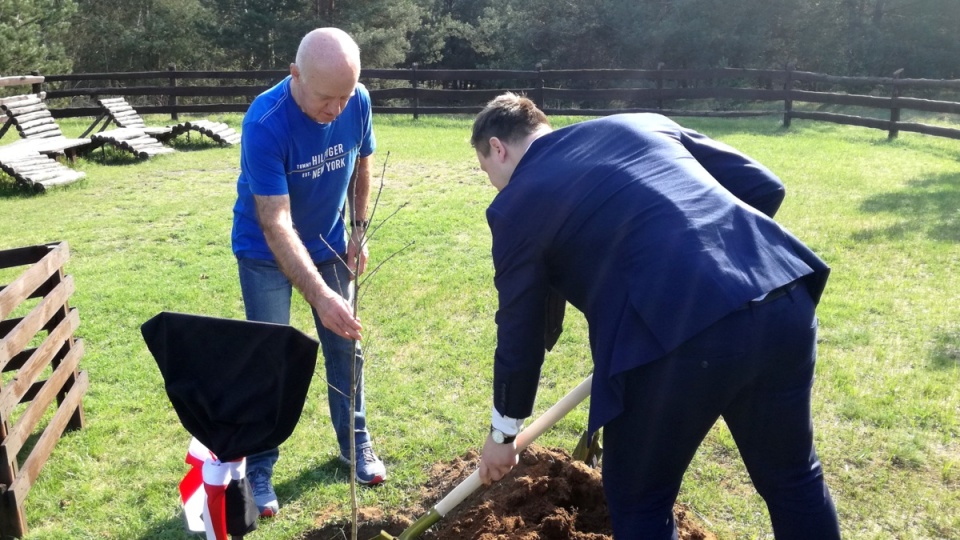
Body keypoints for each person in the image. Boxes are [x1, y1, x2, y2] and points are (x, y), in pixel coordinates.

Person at [472, 93, 841, 539]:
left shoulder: (516, 204)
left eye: (485, 171)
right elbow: (764, 186)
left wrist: (504, 433)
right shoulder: (639, 125)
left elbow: (520, 330)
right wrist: (718, 274)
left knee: (639, 500)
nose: (492, 183)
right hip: (781, 298)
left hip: (677, 343)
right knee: (793, 479)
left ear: (498, 148)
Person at [231, 27, 386, 518]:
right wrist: (321, 296)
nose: (337, 110)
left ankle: (354, 443)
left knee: (347, 347)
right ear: (295, 74)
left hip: (329, 243)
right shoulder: (265, 122)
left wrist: (358, 229)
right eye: (326, 98)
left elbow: (362, 163)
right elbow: (275, 222)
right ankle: (259, 467)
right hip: (264, 252)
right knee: (270, 356)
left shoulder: (355, 99)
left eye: (345, 96)